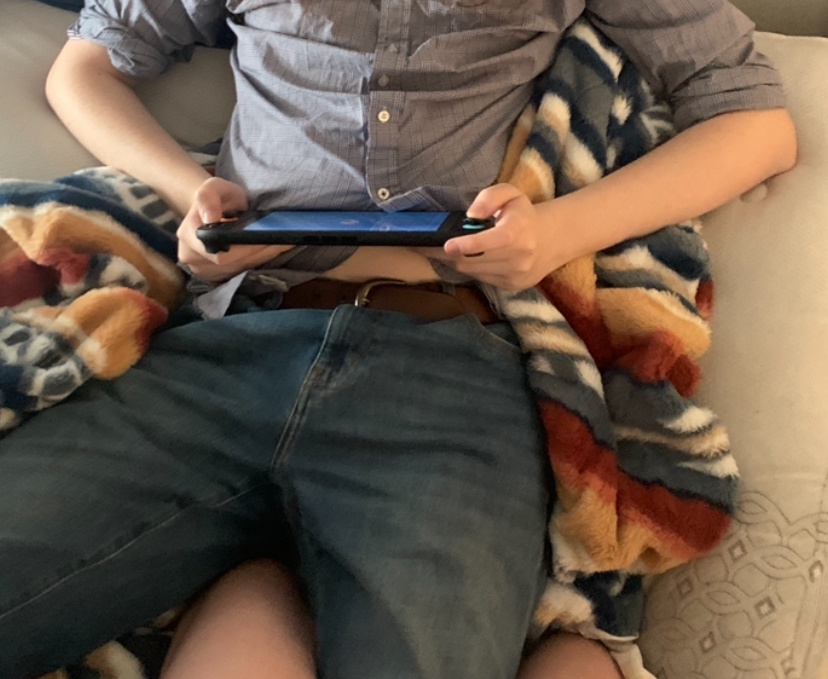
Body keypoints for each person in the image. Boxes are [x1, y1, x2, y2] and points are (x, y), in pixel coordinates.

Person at [0, 1, 796, 678]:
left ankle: (255, 589)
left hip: (450, 374)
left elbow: (757, 125)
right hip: (230, 343)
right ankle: (255, 586)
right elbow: (82, 70)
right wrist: (191, 197)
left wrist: (556, 233)